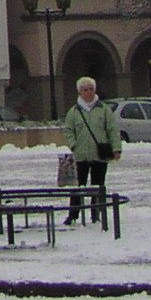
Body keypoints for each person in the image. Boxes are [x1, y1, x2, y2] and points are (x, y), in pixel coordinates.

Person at [61, 76, 122, 224]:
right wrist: (74, 144)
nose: (89, 92)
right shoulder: (74, 111)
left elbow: (112, 130)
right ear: (80, 92)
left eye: (91, 89)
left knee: (98, 185)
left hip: (99, 154)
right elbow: (68, 130)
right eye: (85, 90)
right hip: (80, 155)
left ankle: (96, 213)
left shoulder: (104, 109)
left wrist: (116, 148)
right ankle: (73, 214)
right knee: (77, 186)